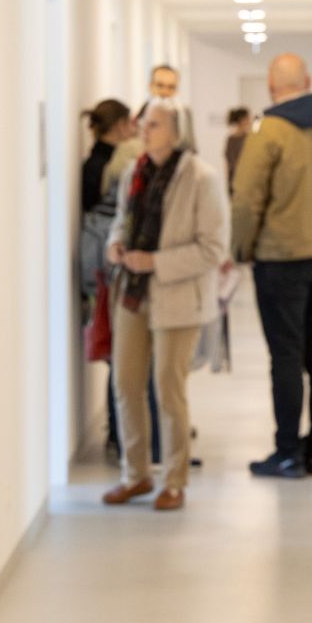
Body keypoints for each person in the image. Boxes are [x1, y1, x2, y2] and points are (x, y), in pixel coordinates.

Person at [231, 53, 312, 479]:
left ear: (273, 87)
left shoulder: (268, 132)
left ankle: (287, 452)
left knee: (286, 355)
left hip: (281, 259)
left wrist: (241, 249)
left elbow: (246, 201)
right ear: (307, 82)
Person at [102, 97, 225, 511]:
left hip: (178, 298)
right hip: (132, 293)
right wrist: (116, 245)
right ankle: (135, 474)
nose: (144, 130)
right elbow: (121, 221)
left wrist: (156, 262)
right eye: (144, 123)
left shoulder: (201, 178)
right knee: (125, 384)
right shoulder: (134, 172)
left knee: (168, 390)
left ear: (176, 131)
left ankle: (174, 480)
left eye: (153, 124)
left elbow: (213, 249)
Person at [79, 99, 137, 459]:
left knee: (120, 354)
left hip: (101, 272)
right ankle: (122, 433)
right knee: (122, 354)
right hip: (111, 272)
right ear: (120, 126)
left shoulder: (95, 164)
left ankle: (122, 433)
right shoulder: (114, 167)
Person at [138, 64, 197, 151]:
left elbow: (190, 149)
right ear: (150, 86)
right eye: (160, 85)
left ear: (177, 90)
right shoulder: (137, 118)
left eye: (171, 87)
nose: (165, 92)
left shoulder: (184, 119)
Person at [223, 106, 252, 197]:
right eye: (248, 118)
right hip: (238, 180)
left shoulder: (232, 139)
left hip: (241, 179)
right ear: (241, 120)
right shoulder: (244, 139)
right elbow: (228, 162)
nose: (249, 121)